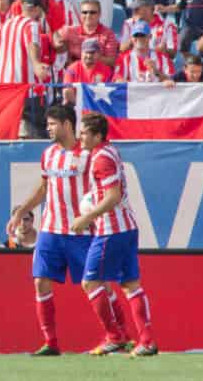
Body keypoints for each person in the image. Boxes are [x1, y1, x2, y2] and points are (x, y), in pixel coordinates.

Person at [8, 104, 104, 354]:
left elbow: (105, 189)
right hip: (51, 229)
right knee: (40, 281)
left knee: (95, 284)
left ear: (67, 125)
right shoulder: (48, 153)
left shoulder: (89, 154)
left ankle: (117, 335)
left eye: (52, 124)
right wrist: (20, 211)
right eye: (47, 124)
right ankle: (51, 343)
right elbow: (43, 189)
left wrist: (94, 215)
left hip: (81, 231)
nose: (48, 128)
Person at [70, 113, 158, 357]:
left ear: (98, 136)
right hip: (126, 227)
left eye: (85, 132)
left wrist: (86, 217)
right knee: (131, 285)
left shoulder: (101, 159)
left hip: (112, 230)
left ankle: (114, 336)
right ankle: (147, 341)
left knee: (90, 282)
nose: (81, 136)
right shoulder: (109, 151)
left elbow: (113, 196)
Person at [0, 0, 52, 137]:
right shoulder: (32, 25)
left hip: (4, 89)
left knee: (7, 133)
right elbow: (33, 44)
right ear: (37, 9)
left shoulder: (5, 25)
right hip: (26, 90)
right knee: (38, 134)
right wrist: (37, 64)